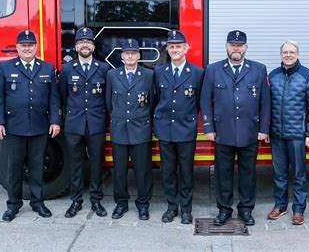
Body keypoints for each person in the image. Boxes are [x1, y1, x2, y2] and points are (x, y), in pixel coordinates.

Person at [200, 30, 271, 226]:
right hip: (222, 132)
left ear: (246, 47)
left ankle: (246, 209)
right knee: (223, 174)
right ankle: (224, 210)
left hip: (250, 132)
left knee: (248, 173)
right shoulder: (213, 70)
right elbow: (205, 100)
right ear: (226, 46)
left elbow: (265, 102)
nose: (236, 48)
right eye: (232, 45)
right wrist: (208, 127)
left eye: (239, 45)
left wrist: (264, 128)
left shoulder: (258, 69)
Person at [0, 30, 61, 221]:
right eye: (23, 45)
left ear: (36, 47)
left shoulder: (47, 68)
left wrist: (55, 120)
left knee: (37, 166)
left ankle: (38, 203)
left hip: (40, 126)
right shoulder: (4, 67)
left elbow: (54, 98)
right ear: (18, 47)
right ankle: (13, 205)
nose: (27, 48)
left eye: (30, 45)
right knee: (14, 167)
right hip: (14, 126)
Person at [267, 40, 309, 225]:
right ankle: (280, 206)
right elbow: (266, 105)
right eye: (285, 52)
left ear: (297, 54)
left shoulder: (308, 76)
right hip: (277, 135)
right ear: (281, 54)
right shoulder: (273, 76)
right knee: (279, 174)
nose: (288, 55)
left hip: (298, 136)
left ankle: (298, 210)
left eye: (292, 52)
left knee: (299, 175)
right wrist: (266, 130)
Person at [154, 30, 204, 224]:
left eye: (178, 46)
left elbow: (199, 101)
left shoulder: (197, 72)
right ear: (167, 49)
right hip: (165, 129)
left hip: (186, 130)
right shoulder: (159, 72)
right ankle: (171, 207)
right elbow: (156, 99)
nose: (175, 50)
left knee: (185, 171)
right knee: (167, 171)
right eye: (172, 46)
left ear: (186, 49)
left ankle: (186, 209)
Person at [59, 27, 110, 218]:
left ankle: (96, 201)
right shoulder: (67, 69)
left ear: (93, 46)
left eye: (88, 42)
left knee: (97, 164)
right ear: (76, 46)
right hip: (74, 125)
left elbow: (107, 98)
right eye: (81, 42)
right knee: (75, 164)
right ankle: (76, 201)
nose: (85, 45)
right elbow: (62, 97)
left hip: (96, 124)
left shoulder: (103, 68)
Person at [106, 38, 154, 220]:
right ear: (122, 56)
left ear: (139, 55)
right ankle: (121, 203)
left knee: (143, 170)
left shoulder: (148, 75)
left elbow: (152, 101)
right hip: (119, 128)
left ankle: (143, 204)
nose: (130, 56)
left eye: (133, 53)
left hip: (140, 128)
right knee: (119, 170)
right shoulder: (112, 74)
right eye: (127, 53)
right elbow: (109, 102)